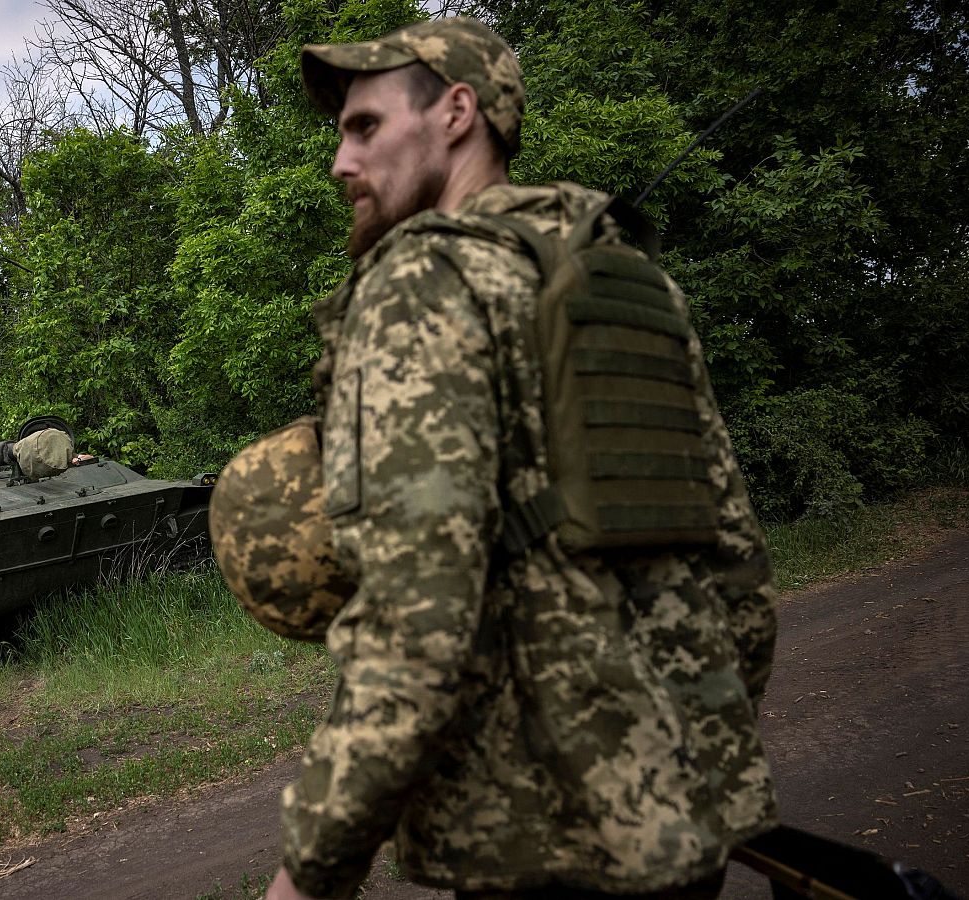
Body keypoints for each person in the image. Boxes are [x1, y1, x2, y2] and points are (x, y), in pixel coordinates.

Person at [265, 17, 779, 900]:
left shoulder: (422, 284)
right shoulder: (623, 280)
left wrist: (311, 873)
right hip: (682, 818)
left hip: (544, 837)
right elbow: (737, 573)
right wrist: (685, 756)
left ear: (458, 112)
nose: (340, 163)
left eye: (366, 127)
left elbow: (416, 627)